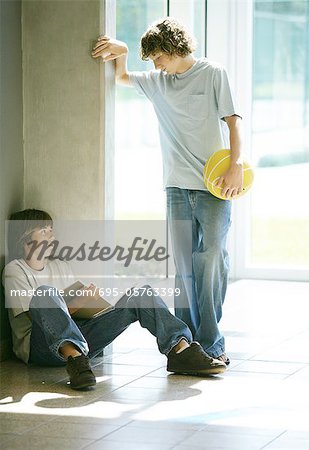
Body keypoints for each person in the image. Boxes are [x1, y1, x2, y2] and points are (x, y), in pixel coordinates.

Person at [91, 17, 243, 364]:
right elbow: (123, 77)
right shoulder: (159, 82)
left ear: (174, 48)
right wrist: (124, 52)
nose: (156, 64)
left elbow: (234, 122)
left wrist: (235, 167)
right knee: (184, 268)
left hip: (214, 185)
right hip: (176, 186)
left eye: (158, 56)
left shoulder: (213, 73)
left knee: (212, 259)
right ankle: (188, 345)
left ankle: (212, 341)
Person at [3, 209, 226, 390]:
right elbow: (39, 317)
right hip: (39, 348)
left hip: (80, 338)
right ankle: (76, 361)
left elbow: (72, 309)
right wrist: (78, 302)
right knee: (45, 292)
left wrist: (91, 304)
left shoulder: (60, 266)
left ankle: (180, 350)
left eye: (51, 230)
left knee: (141, 294)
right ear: (24, 236)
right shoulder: (15, 270)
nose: (51, 236)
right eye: (44, 231)